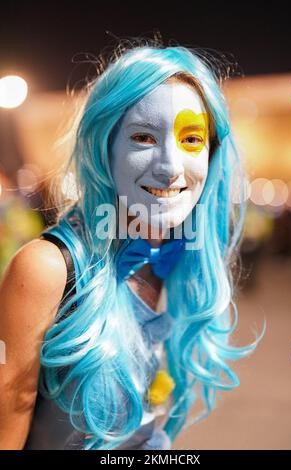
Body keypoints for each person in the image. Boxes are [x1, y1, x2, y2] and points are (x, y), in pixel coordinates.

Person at [0, 42, 260, 450]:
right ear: (105, 147)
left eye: (191, 139)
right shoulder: (46, 269)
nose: (171, 166)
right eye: (143, 136)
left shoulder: (185, 265)